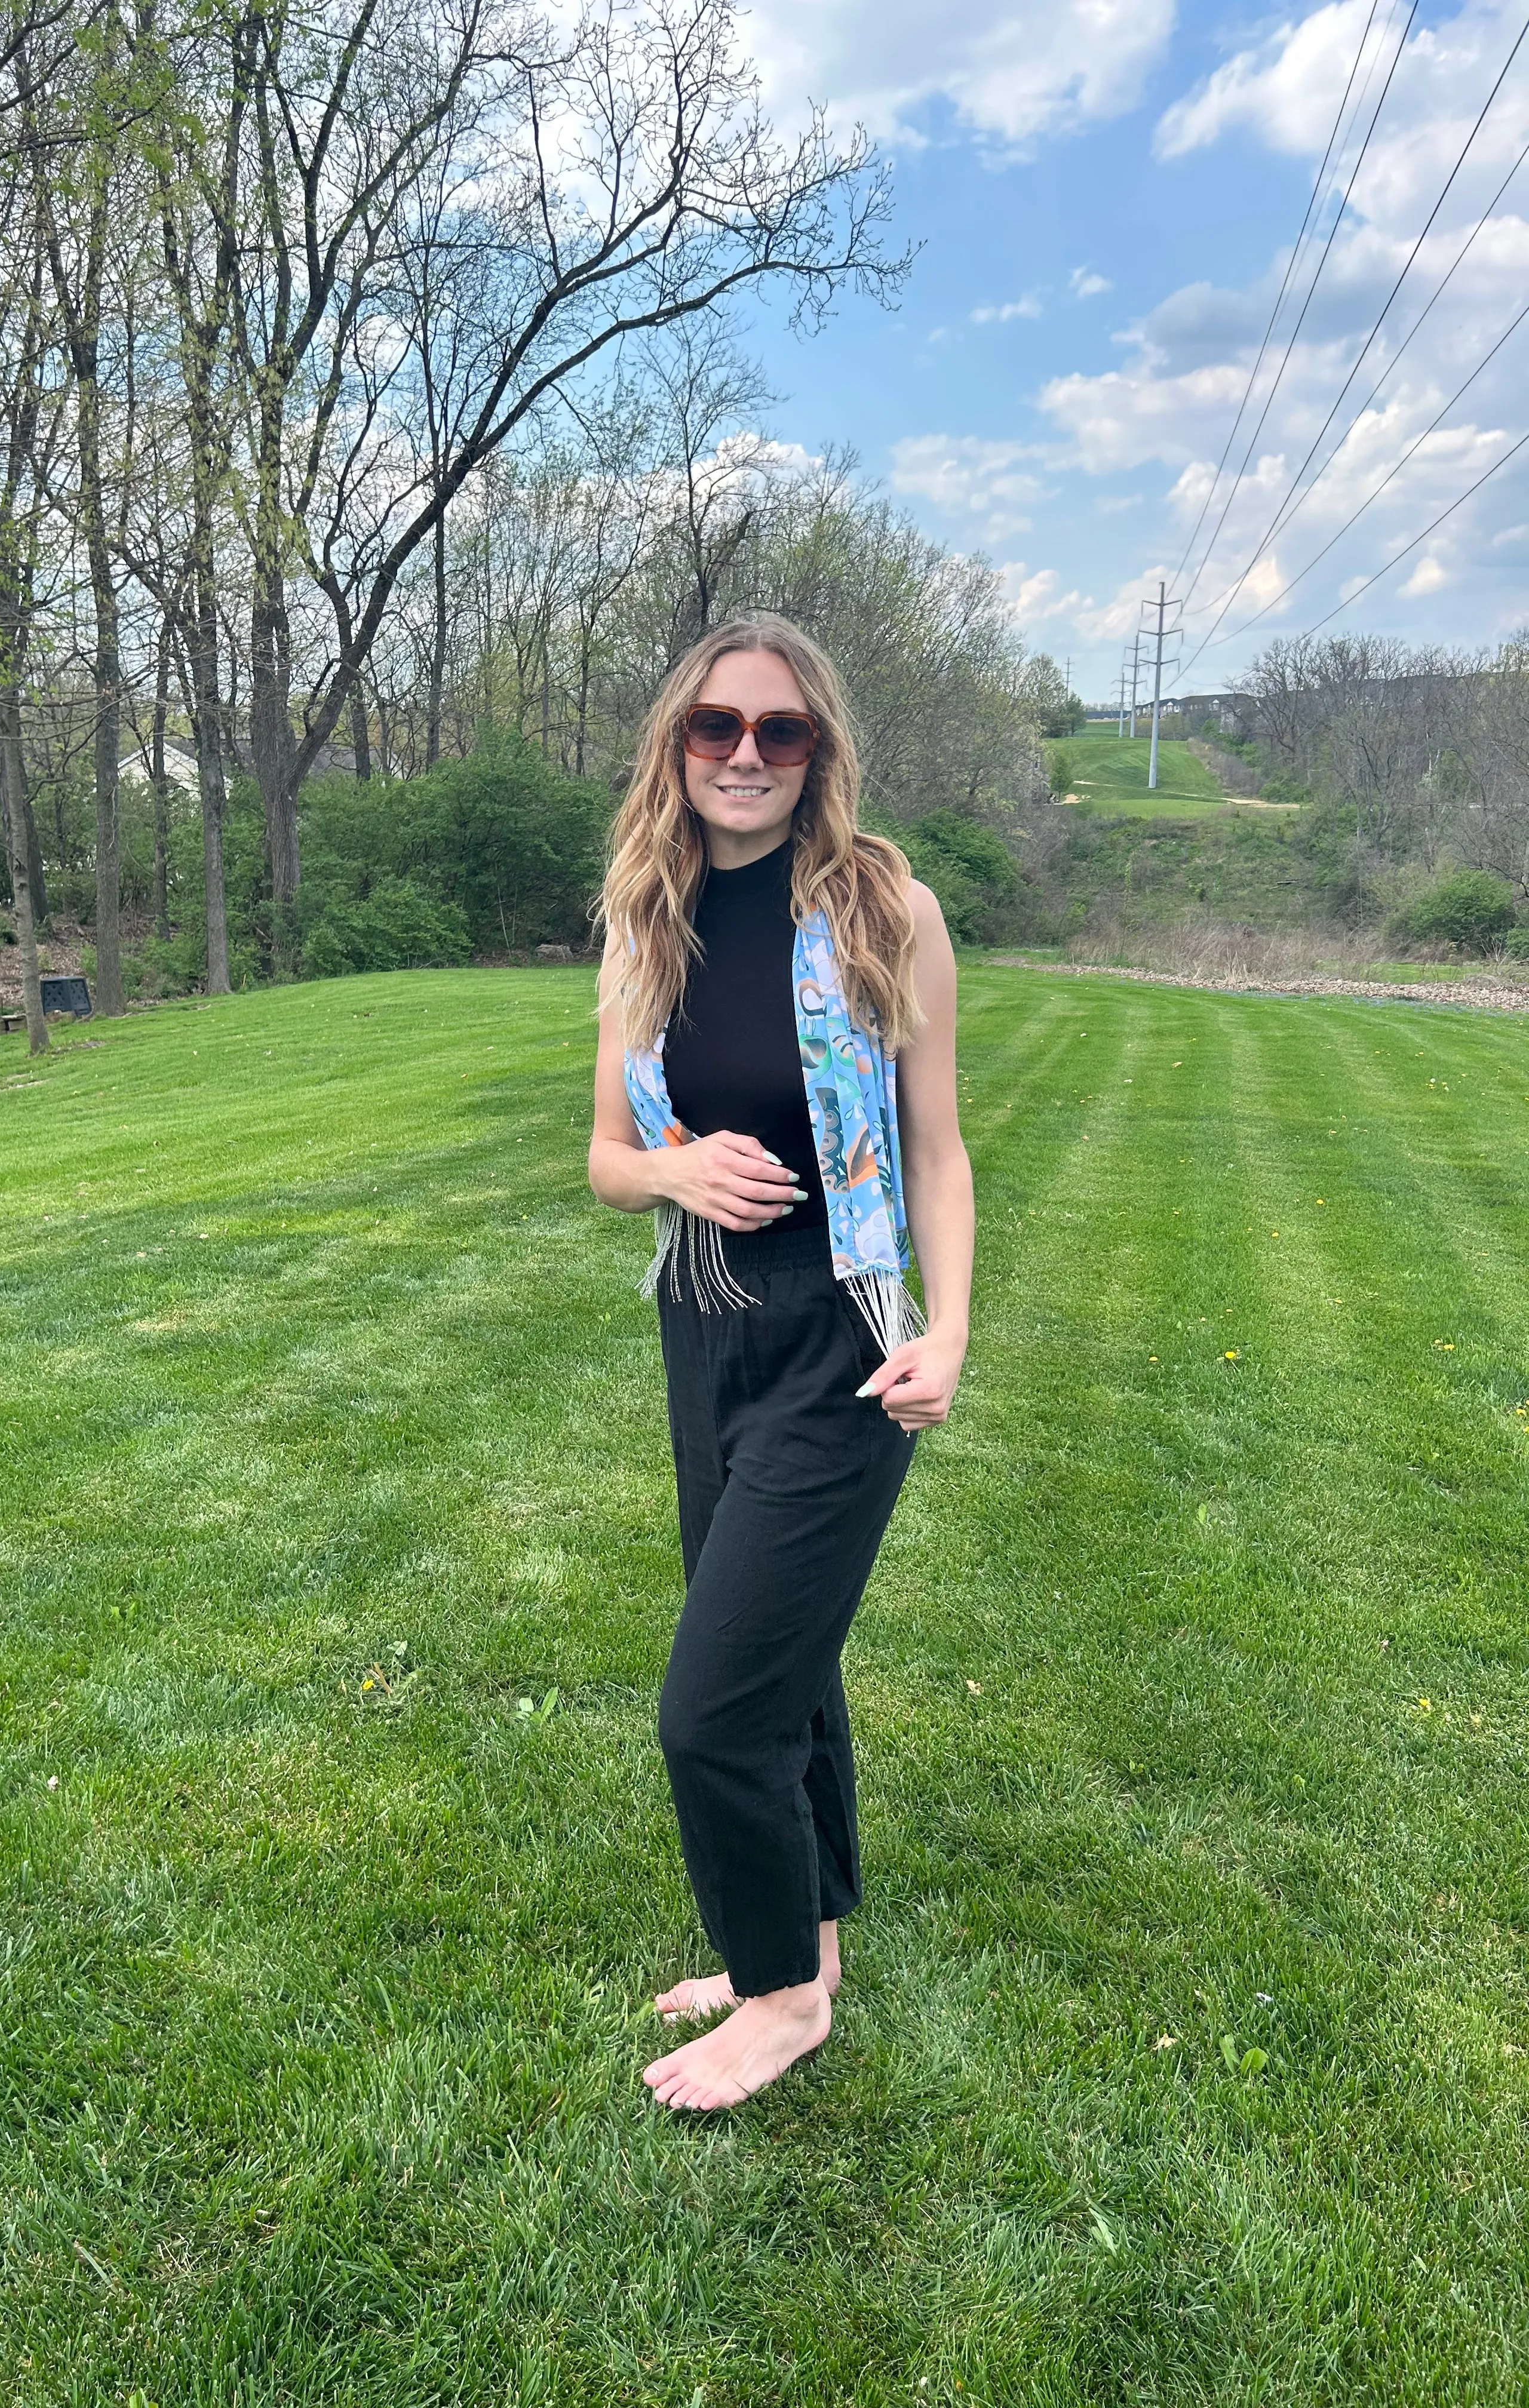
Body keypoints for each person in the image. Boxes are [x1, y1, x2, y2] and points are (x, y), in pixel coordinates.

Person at [588, 613, 974, 2112]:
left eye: (780, 731)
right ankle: (803, 1948)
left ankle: (774, 2004)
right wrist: (676, 1177)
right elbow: (608, 1163)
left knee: (716, 1702)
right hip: (707, 1332)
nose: (745, 756)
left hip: (849, 1345)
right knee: (784, 1660)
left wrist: (949, 1330)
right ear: (676, 746)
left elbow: (937, 1149)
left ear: (819, 755)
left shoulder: (889, 910)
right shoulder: (646, 919)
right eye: (716, 728)